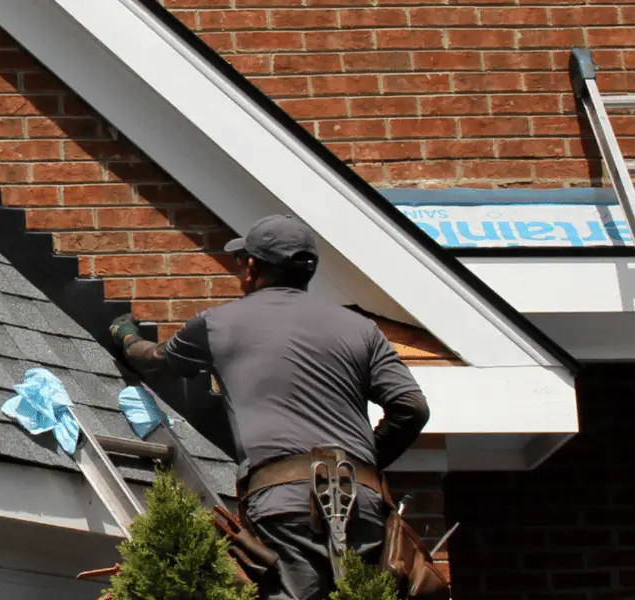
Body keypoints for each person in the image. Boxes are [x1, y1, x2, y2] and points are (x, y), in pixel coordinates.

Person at [108, 214, 431, 600]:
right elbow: (411, 408)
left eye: (242, 260)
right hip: (359, 501)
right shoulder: (360, 328)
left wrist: (125, 336)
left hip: (283, 504)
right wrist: (362, 463)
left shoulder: (219, 324)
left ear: (254, 267)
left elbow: (155, 361)